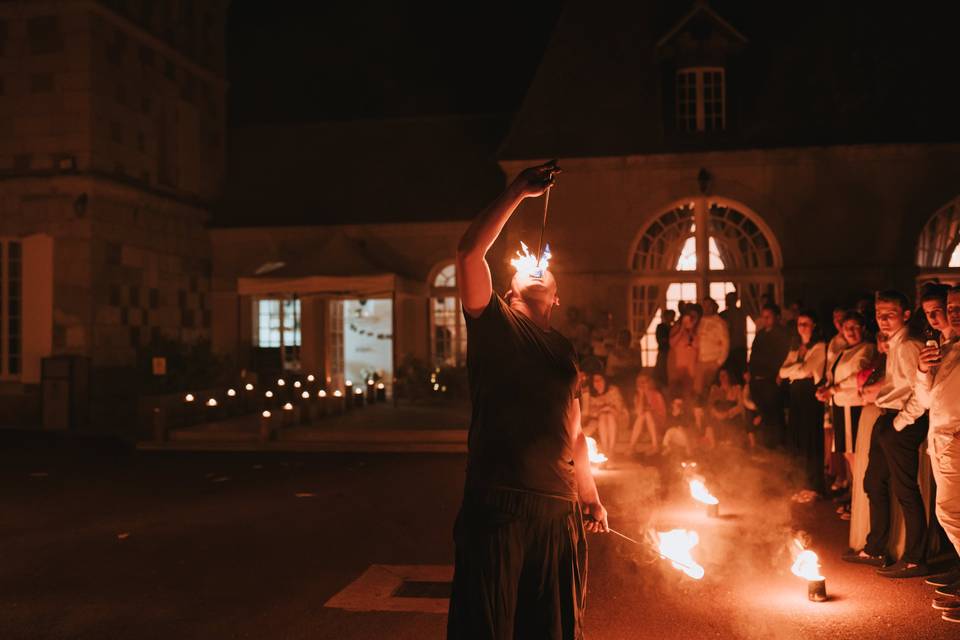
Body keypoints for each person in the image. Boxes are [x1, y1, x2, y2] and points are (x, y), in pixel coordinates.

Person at [449, 160, 607, 640]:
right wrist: (518, 190)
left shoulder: (563, 351)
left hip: (557, 511)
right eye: (528, 270)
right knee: (487, 627)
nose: (537, 271)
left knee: (550, 630)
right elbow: (468, 253)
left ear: (556, 298)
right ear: (513, 288)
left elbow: (574, 431)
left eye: (547, 273)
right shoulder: (492, 322)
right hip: (499, 503)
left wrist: (590, 496)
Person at [917, 286, 960, 623]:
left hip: (955, 438)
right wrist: (922, 370)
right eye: (952, 307)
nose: (954, 313)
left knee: (949, 512)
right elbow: (928, 398)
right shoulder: (946, 347)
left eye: (959, 307)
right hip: (941, 436)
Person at [817, 311, 874, 495]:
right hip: (840, 405)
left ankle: (861, 495)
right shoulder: (843, 351)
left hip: (853, 405)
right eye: (846, 328)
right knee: (847, 453)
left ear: (863, 329)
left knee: (855, 452)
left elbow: (858, 376)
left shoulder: (866, 348)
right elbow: (834, 375)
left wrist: (833, 389)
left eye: (854, 327)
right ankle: (854, 492)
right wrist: (826, 388)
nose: (850, 331)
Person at [779, 310, 827, 494]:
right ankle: (799, 483)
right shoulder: (795, 347)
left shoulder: (819, 346)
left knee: (810, 437)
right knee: (797, 436)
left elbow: (806, 369)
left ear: (814, 325)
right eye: (800, 324)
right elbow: (782, 372)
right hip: (796, 393)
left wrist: (795, 368)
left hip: (810, 393)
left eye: (806, 323)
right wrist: (797, 368)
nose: (803, 327)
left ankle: (814, 485)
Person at [749, 303, 790, 448]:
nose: (765, 319)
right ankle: (764, 445)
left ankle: (778, 445)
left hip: (772, 380)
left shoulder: (782, 334)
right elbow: (753, 355)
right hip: (758, 379)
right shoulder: (760, 334)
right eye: (763, 317)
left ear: (777, 317)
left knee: (774, 414)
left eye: (768, 317)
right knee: (762, 413)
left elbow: (784, 356)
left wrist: (779, 374)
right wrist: (749, 372)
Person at [582, 371, 628, 465]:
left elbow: (620, 409)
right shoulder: (589, 393)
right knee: (604, 416)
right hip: (599, 420)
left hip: (617, 419)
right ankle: (607, 451)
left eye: (600, 380)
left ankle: (610, 452)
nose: (597, 383)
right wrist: (602, 410)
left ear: (605, 381)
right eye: (595, 381)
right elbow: (588, 412)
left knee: (608, 416)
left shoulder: (613, 390)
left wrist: (608, 408)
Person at [696, 298, 730, 398]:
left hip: (713, 361)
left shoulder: (720, 323)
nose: (706, 308)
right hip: (700, 362)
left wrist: (719, 362)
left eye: (709, 305)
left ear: (713, 307)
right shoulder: (699, 322)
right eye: (704, 305)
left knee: (711, 391)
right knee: (699, 392)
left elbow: (726, 343)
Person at [629, 372, 667, 455]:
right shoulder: (637, 396)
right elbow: (639, 412)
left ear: (649, 382)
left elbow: (661, 412)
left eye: (644, 382)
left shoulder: (656, 395)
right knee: (643, 415)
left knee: (647, 414)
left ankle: (655, 445)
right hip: (643, 423)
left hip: (657, 421)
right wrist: (642, 395)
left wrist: (650, 410)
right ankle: (632, 446)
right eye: (640, 382)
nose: (642, 384)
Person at [668, 304, 701, 398]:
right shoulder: (677, 328)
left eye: (695, 317)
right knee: (677, 394)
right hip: (678, 368)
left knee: (689, 395)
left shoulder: (697, 331)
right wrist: (682, 328)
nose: (692, 319)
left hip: (691, 369)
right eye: (691, 316)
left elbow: (698, 349)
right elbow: (672, 343)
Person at [707, 368, 743, 446]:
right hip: (718, 416)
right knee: (711, 419)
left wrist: (728, 413)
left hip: (731, 416)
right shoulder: (715, 390)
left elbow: (741, 406)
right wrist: (718, 414)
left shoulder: (736, 389)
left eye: (724, 375)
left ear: (729, 376)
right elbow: (710, 406)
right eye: (720, 376)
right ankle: (715, 443)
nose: (722, 377)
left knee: (736, 419)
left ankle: (731, 442)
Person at [721, 291, 748, 382]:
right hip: (738, 346)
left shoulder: (725, 315)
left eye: (729, 299)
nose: (727, 301)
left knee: (734, 374)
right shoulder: (741, 313)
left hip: (732, 347)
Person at [654, 310, 675, 389]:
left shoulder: (674, 327)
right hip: (663, 352)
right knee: (662, 371)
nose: (672, 318)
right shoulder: (661, 327)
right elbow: (661, 340)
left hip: (671, 353)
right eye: (670, 316)